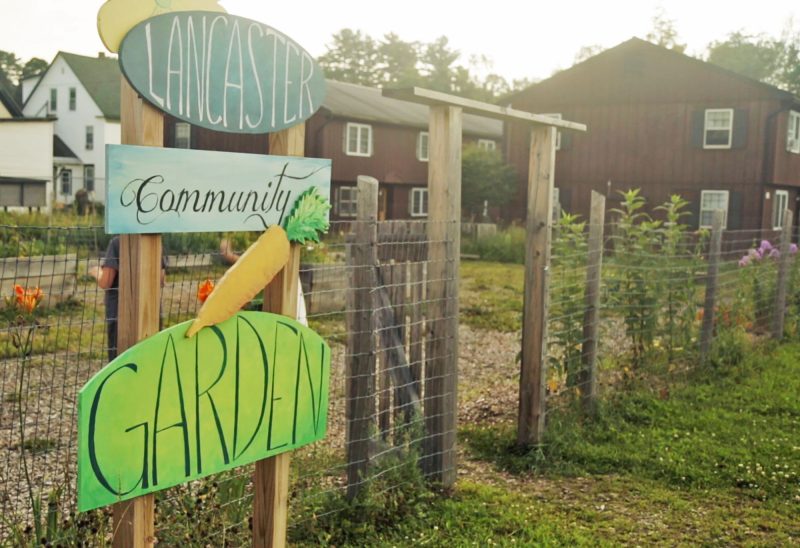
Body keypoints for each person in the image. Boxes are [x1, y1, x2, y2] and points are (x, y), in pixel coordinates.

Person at [90, 236, 166, 361]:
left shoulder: (117, 243)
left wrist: (97, 272)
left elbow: (106, 282)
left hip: (120, 315)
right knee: (150, 359)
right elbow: (161, 280)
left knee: (120, 362)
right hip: (151, 313)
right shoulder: (154, 239)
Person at [219, 237, 308, 326]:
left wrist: (230, 256)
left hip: (290, 325)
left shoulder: (279, 265)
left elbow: (256, 265)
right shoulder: (279, 261)